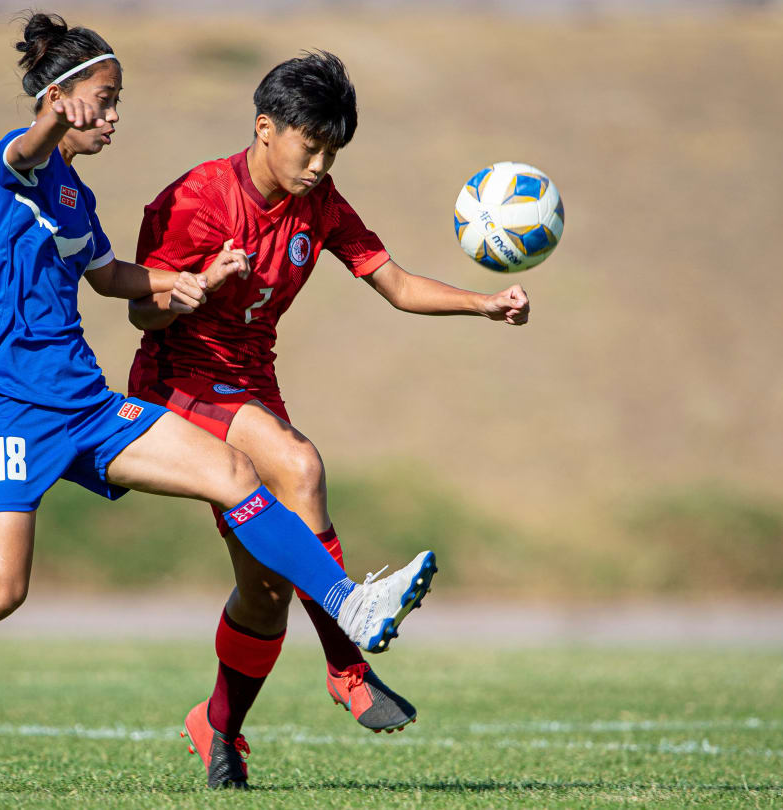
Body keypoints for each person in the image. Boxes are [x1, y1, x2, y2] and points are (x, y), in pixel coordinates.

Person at [0, 14, 438, 776]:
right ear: (64, 99)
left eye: (116, 99)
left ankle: (348, 605)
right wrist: (46, 119)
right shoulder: (13, 166)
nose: (114, 115)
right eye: (105, 99)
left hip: (86, 404)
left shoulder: (74, 197)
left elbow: (109, 279)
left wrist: (183, 281)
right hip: (2, 405)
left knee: (237, 474)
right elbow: (25, 149)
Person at [126, 51, 531, 788]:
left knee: (267, 594)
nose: (318, 164)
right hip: (177, 384)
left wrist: (483, 303)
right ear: (264, 128)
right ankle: (348, 667)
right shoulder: (196, 198)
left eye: (331, 151)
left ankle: (218, 728)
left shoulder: (321, 203)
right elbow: (139, 311)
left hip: (252, 389)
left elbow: (397, 284)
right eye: (309, 147)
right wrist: (197, 286)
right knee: (301, 465)